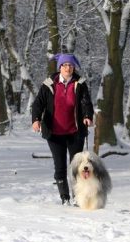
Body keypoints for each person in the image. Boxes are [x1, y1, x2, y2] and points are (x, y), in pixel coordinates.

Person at [32, 53, 94, 204]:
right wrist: (36, 119)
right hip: (54, 134)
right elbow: (38, 103)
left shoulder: (80, 83)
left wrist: (87, 116)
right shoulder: (49, 84)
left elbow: (86, 102)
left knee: (77, 166)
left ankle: (77, 198)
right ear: (60, 67)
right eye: (65, 65)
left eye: (70, 65)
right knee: (59, 166)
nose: (68, 68)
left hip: (75, 132)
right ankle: (65, 198)